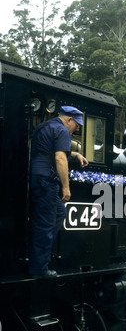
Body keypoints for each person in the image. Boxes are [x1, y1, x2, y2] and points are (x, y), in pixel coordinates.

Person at [29, 106, 89, 278]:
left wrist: (76, 155)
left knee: (60, 213)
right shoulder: (62, 130)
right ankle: (39, 269)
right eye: (77, 125)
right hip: (47, 180)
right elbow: (59, 158)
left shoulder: (45, 127)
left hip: (37, 176)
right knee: (45, 223)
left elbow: (49, 151)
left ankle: (40, 254)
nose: (77, 130)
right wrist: (66, 187)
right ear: (69, 120)